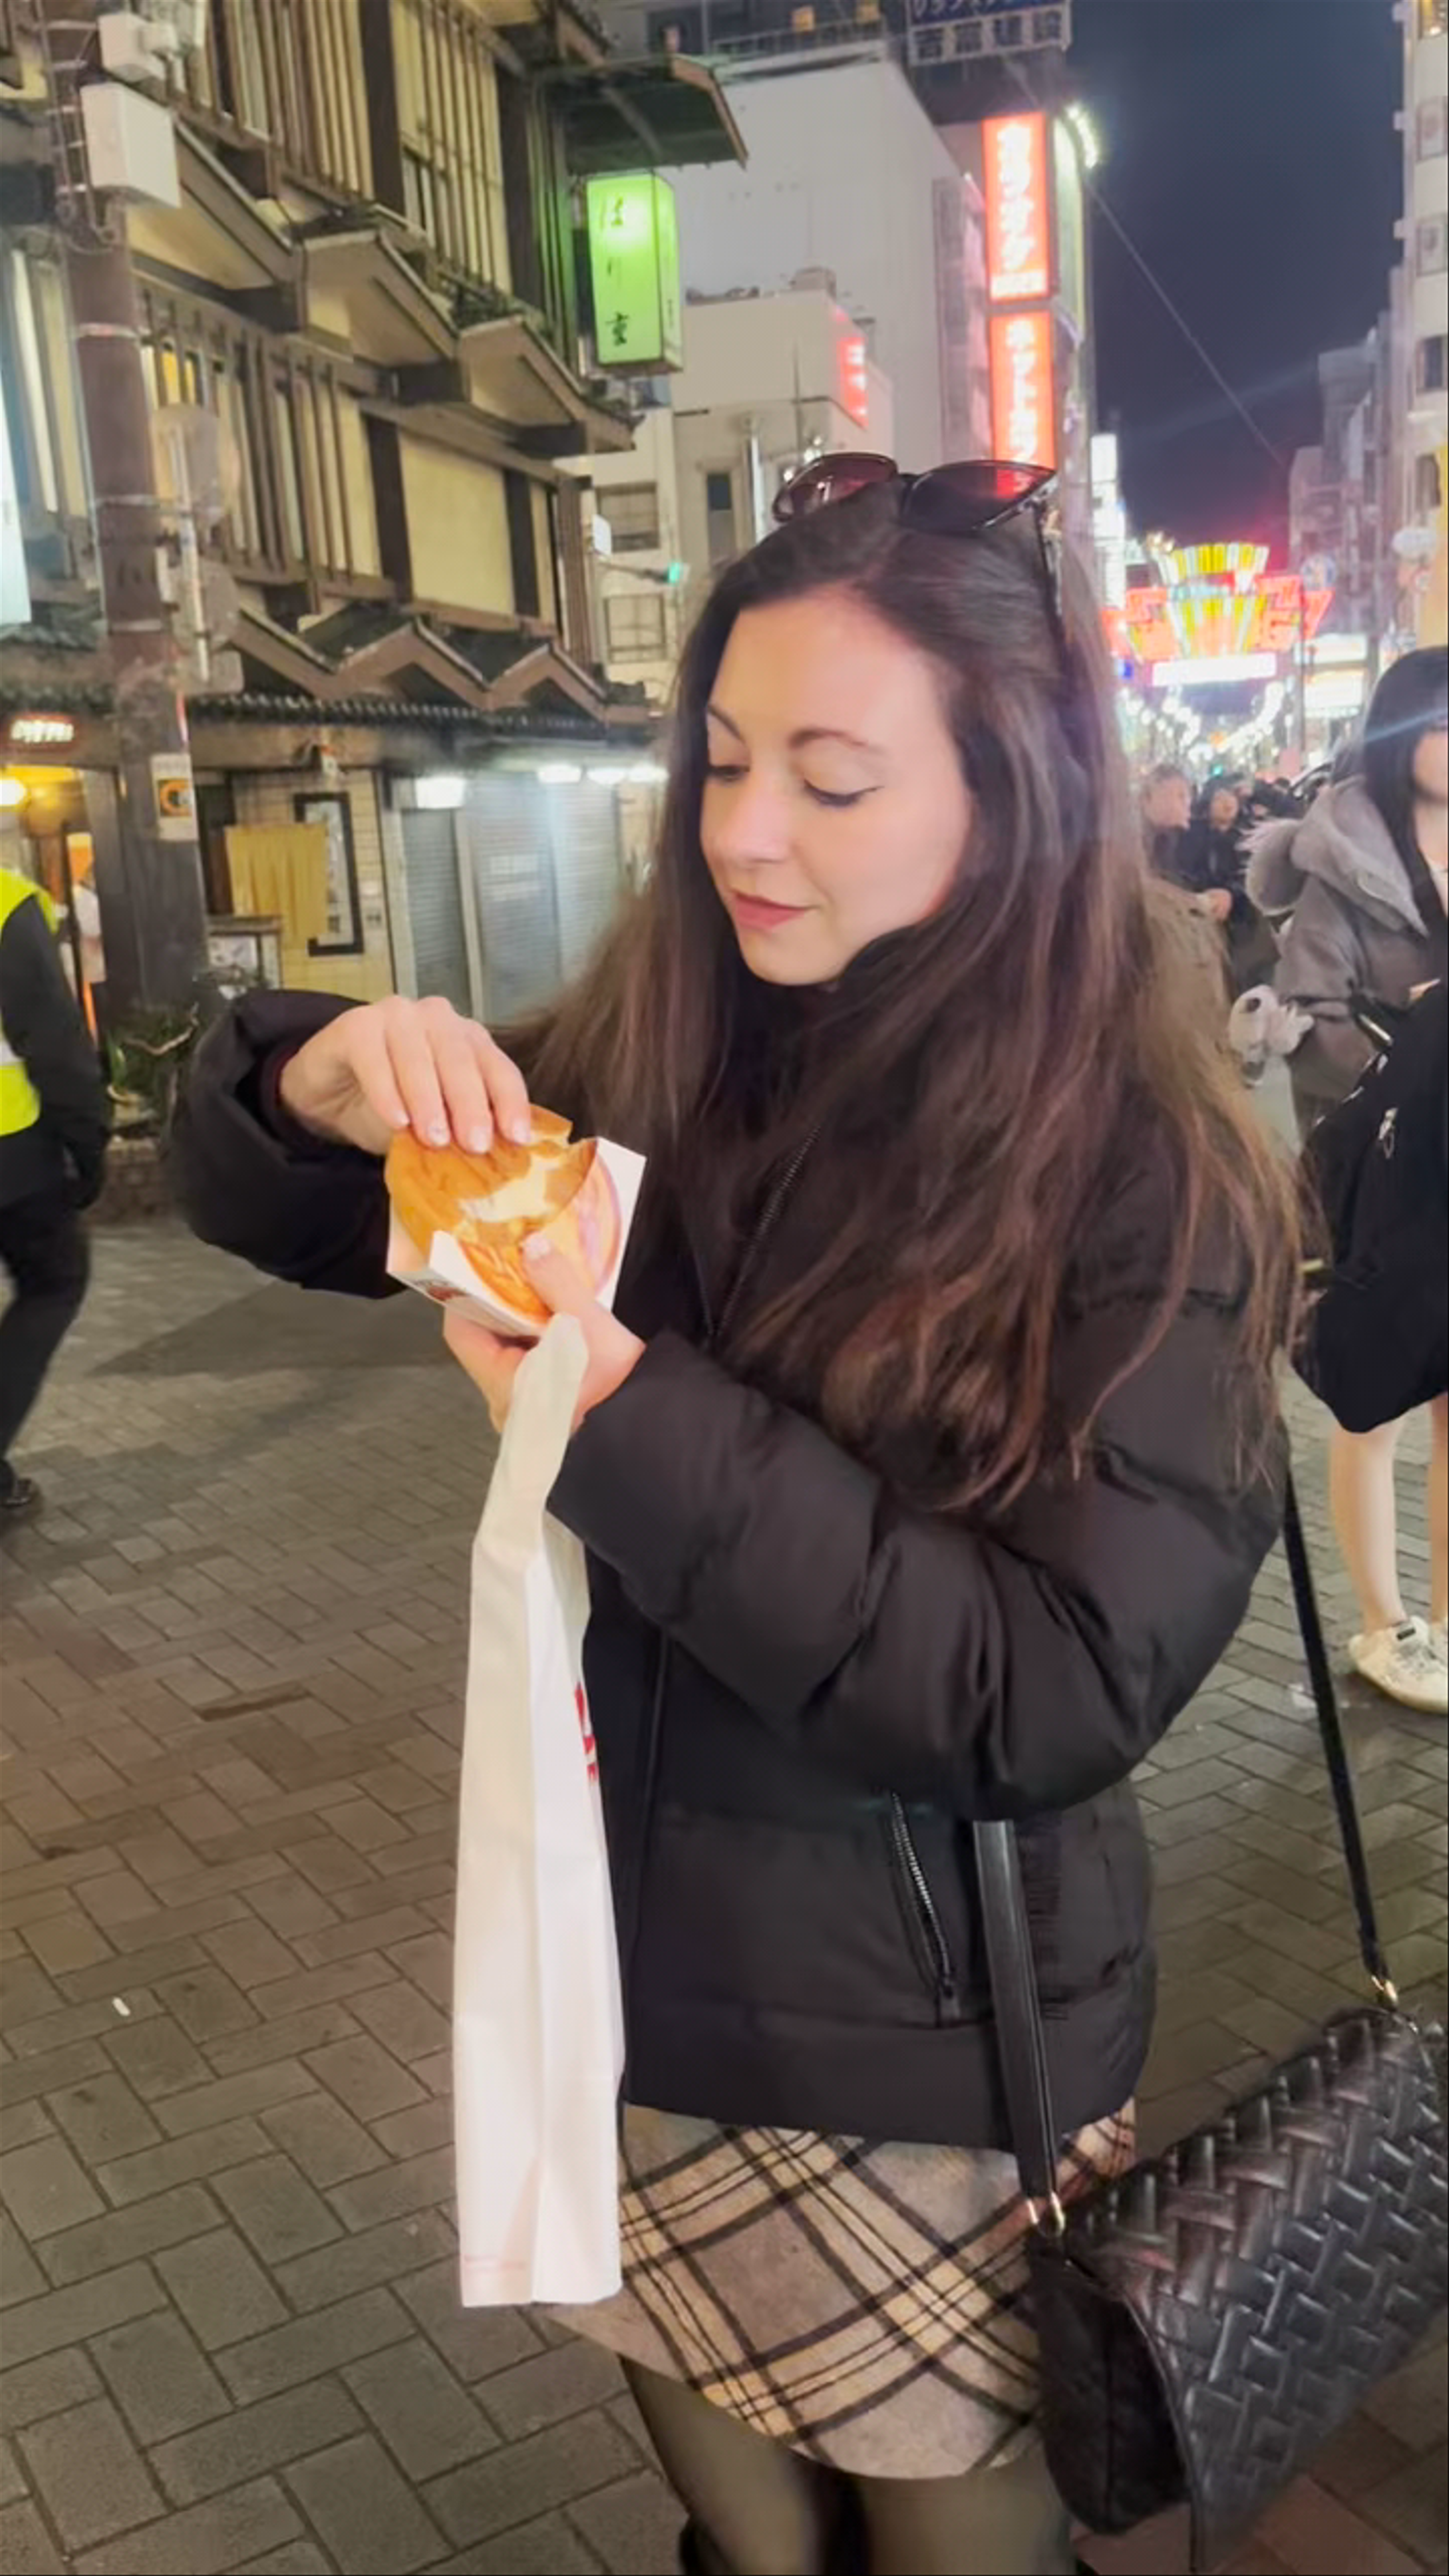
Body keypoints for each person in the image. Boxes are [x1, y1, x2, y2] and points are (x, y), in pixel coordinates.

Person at [171, 458, 1298, 2576]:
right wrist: (304, 1080)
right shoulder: (655, 1046)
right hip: (623, 1991)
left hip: (936, 2046)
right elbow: (334, 1209)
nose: (742, 830)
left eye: (830, 776)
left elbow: (1044, 1685)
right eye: (715, 761)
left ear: (1012, 797)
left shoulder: (1146, 1171)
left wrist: (625, 1413)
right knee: (743, 2550)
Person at [1249, 646, 1449, 1716]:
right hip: (1379, 1167)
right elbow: (1307, 1018)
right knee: (1371, 1403)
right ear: (1402, 734)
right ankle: (1386, 1624)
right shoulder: (1347, 865)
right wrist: (1406, 1034)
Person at [0, 863, 111, 1519]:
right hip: (12, 1153)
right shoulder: (6, 903)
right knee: (54, 1282)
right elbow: (55, 1041)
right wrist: (87, 1142)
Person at [1139, 759, 1192, 880]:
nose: (1188, 804)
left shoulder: (1176, 838)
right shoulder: (1131, 842)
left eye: (1188, 796)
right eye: (1181, 796)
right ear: (1149, 798)